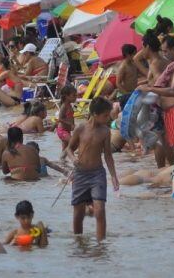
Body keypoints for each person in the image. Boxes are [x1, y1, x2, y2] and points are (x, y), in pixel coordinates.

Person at [66, 96, 119, 242]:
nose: (108, 118)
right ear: (95, 114)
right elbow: (69, 149)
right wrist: (73, 159)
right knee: (78, 212)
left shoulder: (105, 131)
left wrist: (114, 176)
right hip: (80, 174)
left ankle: (101, 244)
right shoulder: (81, 128)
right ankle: (79, 242)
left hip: (97, 174)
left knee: (100, 210)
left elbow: (108, 155)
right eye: (105, 115)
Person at [138, 36, 174, 163]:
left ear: (173, 49)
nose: (163, 54)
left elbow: (173, 91)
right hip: (172, 112)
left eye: (165, 51)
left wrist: (150, 89)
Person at [55, 85, 77, 150]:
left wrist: (73, 125)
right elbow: (60, 119)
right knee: (74, 143)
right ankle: (71, 156)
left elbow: (71, 117)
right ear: (67, 96)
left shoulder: (69, 105)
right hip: (62, 130)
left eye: (76, 95)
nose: (76, 97)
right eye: (74, 95)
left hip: (67, 130)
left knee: (65, 148)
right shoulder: (64, 106)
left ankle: (62, 159)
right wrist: (71, 124)